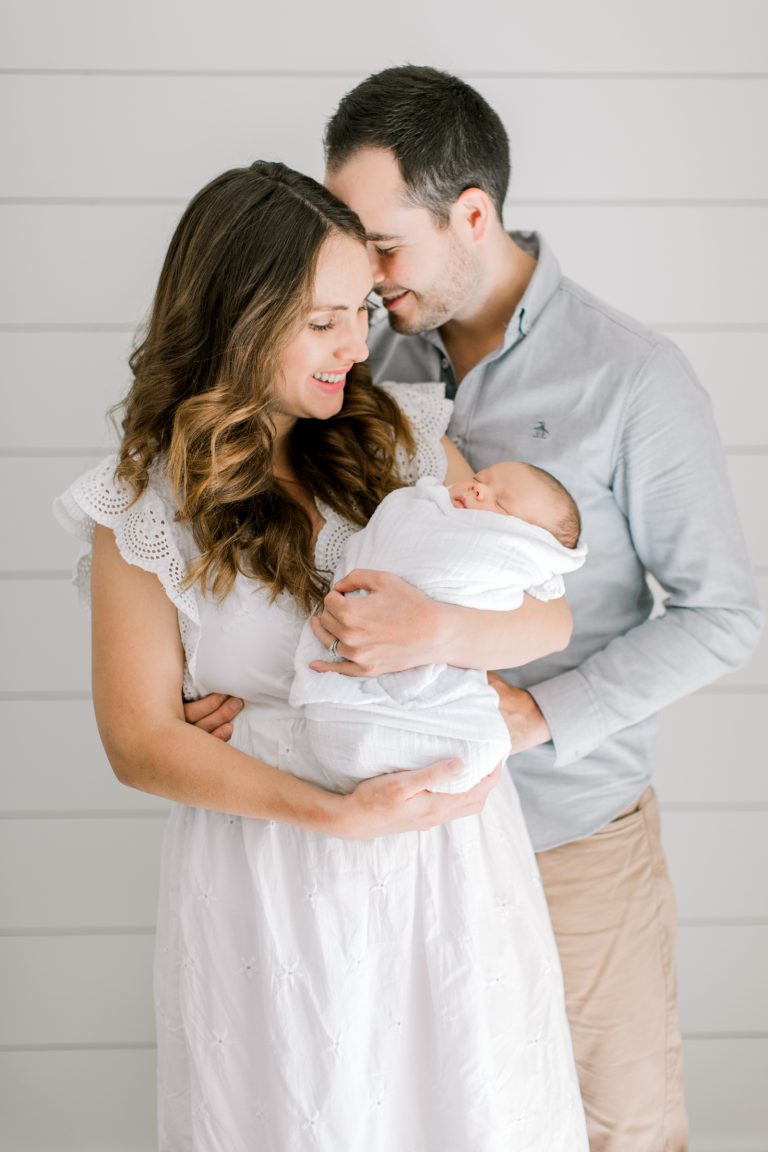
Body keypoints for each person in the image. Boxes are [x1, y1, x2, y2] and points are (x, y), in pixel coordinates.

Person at [54, 161, 589, 1151]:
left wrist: (436, 634)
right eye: (320, 320)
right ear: (237, 319)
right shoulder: (139, 509)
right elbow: (137, 741)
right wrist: (335, 812)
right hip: (270, 874)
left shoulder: (404, 441)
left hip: (447, 865)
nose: (358, 344)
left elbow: (545, 617)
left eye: (361, 310)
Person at [310, 65, 764, 1150]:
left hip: (572, 840)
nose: (364, 281)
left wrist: (539, 717)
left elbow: (724, 615)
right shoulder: (356, 363)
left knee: (622, 1129)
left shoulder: (633, 378)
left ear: (473, 215)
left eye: (382, 245)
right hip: (396, 837)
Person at [291, 460, 587, 795]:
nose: (478, 488)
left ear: (525, 543)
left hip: (427, 717)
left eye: (501, 503)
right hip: (325, 732)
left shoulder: (499, 556)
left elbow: (555, 623)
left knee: (477, 745)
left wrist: (432, 628)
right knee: (475, 749)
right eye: (479, 478)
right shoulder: (421, 508)